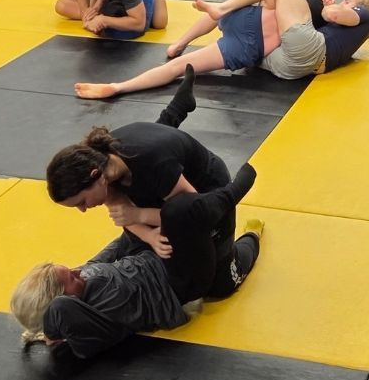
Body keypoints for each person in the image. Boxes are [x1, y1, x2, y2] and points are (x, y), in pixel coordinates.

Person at [13, 114, 261, 359]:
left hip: (191, 205)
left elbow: (115, 244)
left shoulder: (79, 282)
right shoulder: (93, 322)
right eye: (71, 278)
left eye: (82, 202)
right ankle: (246, 220)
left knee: (155, 209)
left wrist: (141, 227)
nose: (78, 271)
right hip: (177, 281)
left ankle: (178, 127)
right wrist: (49, 329)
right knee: (218, 280)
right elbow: (60, 310)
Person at [74, 0, 369, 99]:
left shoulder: (359, 14)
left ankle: (119, 85)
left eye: (348, 0)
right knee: (273, 1)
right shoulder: (310, 13)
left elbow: (329, 12)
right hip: (274, 59)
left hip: (252, 34)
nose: (341, 1)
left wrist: (324, 1)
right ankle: (117, 87)